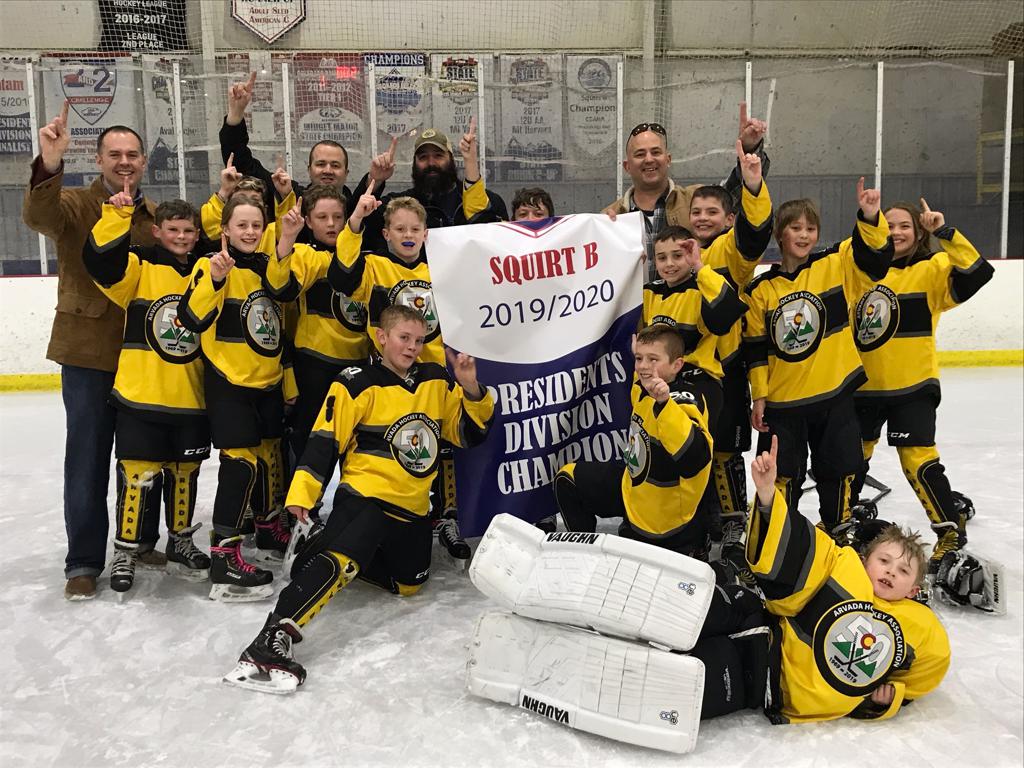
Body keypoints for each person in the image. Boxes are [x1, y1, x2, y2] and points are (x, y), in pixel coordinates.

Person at [223, 306, 495, 693]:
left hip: (412, 508)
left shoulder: (435, 379)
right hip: (366, 495)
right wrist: (304, 494)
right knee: (344, 563)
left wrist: (471, 389)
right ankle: (271, 638)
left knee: (409, 584)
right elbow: (325, 440)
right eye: (404, 337)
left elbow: (468, 435)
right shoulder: (356, 382)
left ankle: (321, 544)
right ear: (381, 337)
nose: (412, 347)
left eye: (419, 340)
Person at [22, 102, 166, 600]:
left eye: (132, 155)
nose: (124, 162)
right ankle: (83, 560)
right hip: (87, 354)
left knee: (142, 456)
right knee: (86, 458)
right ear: (99, 160)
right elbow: (38, 215)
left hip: (144, 358)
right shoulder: (76, 205)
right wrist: (50, 162)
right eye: (115, 154)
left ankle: (140, 540)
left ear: (143, 161)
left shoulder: (153, 217)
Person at [746, 435, 950, 722]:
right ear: (865, 561)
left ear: (914, 591)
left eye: (904, 571)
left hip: (769, 685)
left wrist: (894, 695)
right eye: (884, 561)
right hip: (768, 647)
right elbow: (793, 548)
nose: (891, 571)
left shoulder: (923, 629)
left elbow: (922, 673)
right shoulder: (842, 566)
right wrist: (768, 493)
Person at [850, 198, 993, 573]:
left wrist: (944, 232)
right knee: (850, 460)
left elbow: (977, 272)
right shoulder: (857, 272)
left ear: (917, 233)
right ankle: (841, 524)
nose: (896, 232)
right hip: (861, 387)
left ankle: (950, 532)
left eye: (905, 226)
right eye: (889, 226)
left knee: (918, 461)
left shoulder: (932, 268)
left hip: (912, 385)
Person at [743, 178, 892, 537]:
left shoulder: (834, 264)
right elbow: (756, 348)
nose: (805, 235)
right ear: (780, 234)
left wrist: (870, 217)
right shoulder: (760, 289)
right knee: (781, 475)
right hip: (784, 403)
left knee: (839, 470)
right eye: (796, 227)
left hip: (833, 394)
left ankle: (839, 534)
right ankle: (777, 538)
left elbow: (874, 260)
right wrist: (759, 396)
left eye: (811, 228)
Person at [82, 189, 211, 592]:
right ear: (157, 231)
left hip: (191, 397)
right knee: (137, 475)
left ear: (197, 234)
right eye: (173, 230)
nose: (181, 237)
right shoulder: (139, 266)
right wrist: (116, 216)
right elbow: (101, 264)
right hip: (141, 394)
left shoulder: (207, 269)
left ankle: (180, 541)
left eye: (188, 230)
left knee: (185, 474)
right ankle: (126, 549)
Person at [178, 197, 296, 601]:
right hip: (230, 383)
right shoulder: (210, 265)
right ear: (225, 229)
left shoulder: (268, 267)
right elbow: (192, 319)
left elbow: (280, 316)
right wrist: (214, 279)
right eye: (241, 225)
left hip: (268, 384)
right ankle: (224, 557)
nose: (249, 232)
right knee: (240, 466)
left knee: (267, 461)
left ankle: (266, 530)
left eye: (256, 225)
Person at [553, 324, 714, 558]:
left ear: (677, 365)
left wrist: (664, 404)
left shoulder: (686, 400)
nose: (643, 366)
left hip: (667, 519)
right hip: (634, 491)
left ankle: (693, 545)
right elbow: (641, 376)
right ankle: (584, 554)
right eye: (639, 358)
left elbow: (695, 459)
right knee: (568, 479)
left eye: (653, 359)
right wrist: (640, 356)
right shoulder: (642, 387)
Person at [264, 184, 370, 477]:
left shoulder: (362, 256)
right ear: (308, 222)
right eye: (322, 217)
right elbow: (280, 289)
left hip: (359, 364)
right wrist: (287, 237)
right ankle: (302, 502)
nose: (332, 224)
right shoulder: (306, 255)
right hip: (315, 365)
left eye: (337, 216)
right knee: (309, 443)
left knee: (356, 445)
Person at [602, 103, 770, 268]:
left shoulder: (695, 199)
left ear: (668, 159)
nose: (649, 159)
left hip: (697, 287)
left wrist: (750, 150)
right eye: (640, 154)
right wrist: (604, 233)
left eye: (656, 152)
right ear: (627, 166)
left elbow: (737, 193)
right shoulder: (608, 218)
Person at [356, 117, 508, 254]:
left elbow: (500, 246)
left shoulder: (490, 201)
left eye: (438, 156)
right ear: (414, 163)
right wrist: (374, 181)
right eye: (423, 157)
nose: (431, 163)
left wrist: (471, 164)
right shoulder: (399, 204)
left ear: (451, 159)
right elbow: (358, 224)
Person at [219, 72, 356, 215]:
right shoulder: (288, 194)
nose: (327, 170)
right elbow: (242, 163)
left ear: (346, 173)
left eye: (335, 165)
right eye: (321, 164)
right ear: (309, 170)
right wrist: (236, 113)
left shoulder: (359, 207)